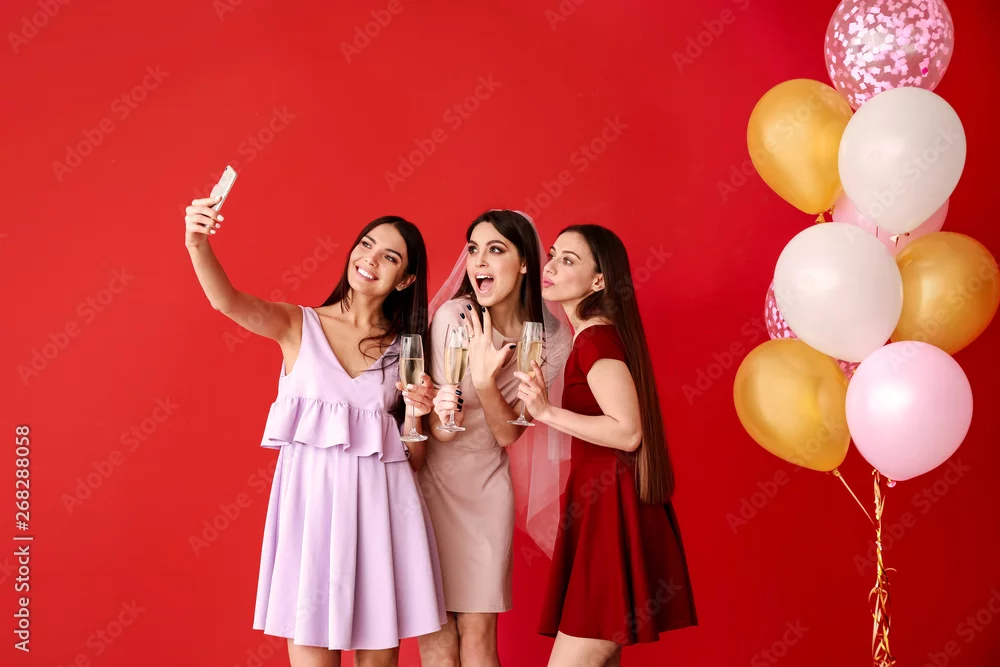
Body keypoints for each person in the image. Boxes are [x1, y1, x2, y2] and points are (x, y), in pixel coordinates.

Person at [183, 196, 446, 667]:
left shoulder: (407, 349)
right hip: (312, 521)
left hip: (380, 518)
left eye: (389, 257)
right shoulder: (297, 324)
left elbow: (415, 461)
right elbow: (226, 301)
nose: (370, 259)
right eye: (366, 245)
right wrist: (197, 242)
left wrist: (414, 416)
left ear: (406, 279)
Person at [514, 225, 697, 667]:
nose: (551, 266)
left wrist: (546, 412)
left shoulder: (595, 337)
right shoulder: (593, 335)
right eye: (553, 255)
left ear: (599, 280)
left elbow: (628, 431)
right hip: (604, 503)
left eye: (569, 260)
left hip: (611, 507)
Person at [415, 210, 570, 667]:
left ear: (524, 263)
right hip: (432, 485)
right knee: (437, 636)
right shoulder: (454, 317)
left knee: (480, 633)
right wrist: (453, 399)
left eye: (495, 249)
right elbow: (440, 430)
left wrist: (485, 381)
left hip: (487, 490)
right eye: (473, 249)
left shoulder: (551, 341)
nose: (479, 261)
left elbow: (507, 435)